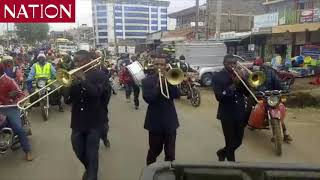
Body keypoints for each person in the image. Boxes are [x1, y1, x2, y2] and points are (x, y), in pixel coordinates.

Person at [64, 50, 110, 180]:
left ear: (88, 61)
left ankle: (91, 175)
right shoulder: (73, 77)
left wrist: (83, 80)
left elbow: (97, 93)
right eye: (75, 61)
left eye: (79, 61)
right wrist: (68, 85)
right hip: (78, 121)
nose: (76, 63)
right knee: (77, 149)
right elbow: (67, 100)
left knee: (92, 153)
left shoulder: (100, 76)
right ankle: (89, 169)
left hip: (95, 121)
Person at [142, 53, 180, 165]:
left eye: (162, 64)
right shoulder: (147, 81)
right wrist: (158, 86)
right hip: (155, 122)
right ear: (153, 65)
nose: (159, 67)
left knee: (170, 153)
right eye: (157, 64)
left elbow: (177, 95)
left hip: (170, 122)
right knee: (154, 151)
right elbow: (148, 98)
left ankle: (170, 172)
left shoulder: (171, 78)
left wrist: (169, 83)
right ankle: (149, 170)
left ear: (166, 66)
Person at [212, 54, 247, 162]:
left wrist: (245, 80)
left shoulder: (240, 75)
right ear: (224, 63)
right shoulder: (217, 76)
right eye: (229, 63)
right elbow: (219, 97)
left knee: (239, 141)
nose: (232, 65)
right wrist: (234, 85)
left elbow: (247, 93)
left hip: (240, 113)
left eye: (234, 63)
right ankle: (232, 165)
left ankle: (221, 152)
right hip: (226, 114)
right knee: (230, 141)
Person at [251, 58, 293, 143]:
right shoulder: (254, 74)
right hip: (261, 96)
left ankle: (285, 133)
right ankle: (246, 122)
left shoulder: (270, 72)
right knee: (251, 107)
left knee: (279, 110)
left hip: (272, 96)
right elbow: (254, 85)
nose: (258, 67)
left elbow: (278, 82)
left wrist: (284, 89)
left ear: (262, 65)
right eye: (256, 65)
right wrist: (258, 91)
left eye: (259, 65)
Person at [0, 61, 33, 161]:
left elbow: (21, 94)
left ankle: (28, 151)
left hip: (9, 107)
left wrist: (15, 98)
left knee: (18, 128)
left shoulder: (9, 81)